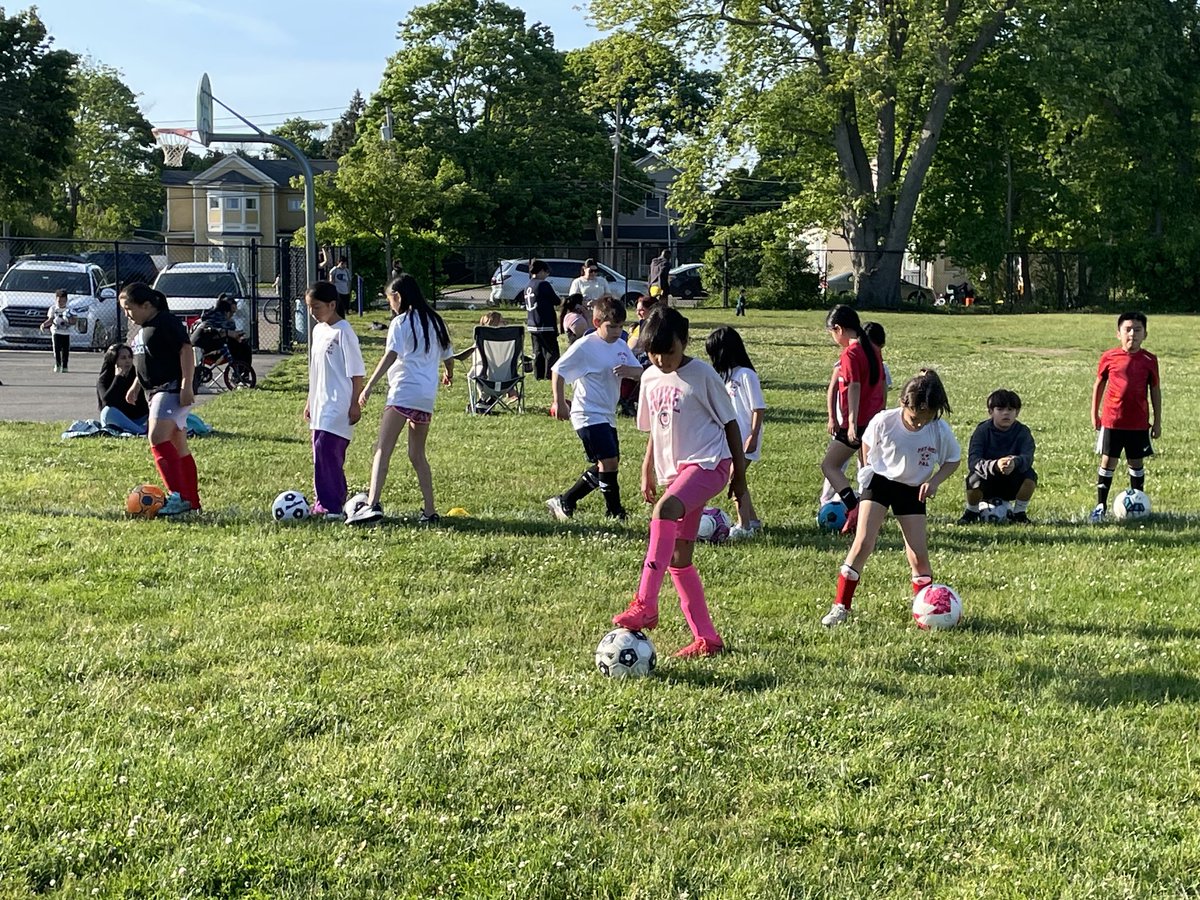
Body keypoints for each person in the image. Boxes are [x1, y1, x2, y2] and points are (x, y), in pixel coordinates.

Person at [611, 306, 748, 659]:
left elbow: (731, 424)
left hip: (709, 465)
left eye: (668, 351)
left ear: (685, 342)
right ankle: (708, 639)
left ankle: (646, 604)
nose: (660, 359)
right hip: (676, 473)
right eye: (653, 352)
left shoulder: (702, 375)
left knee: (664, 511)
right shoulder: (650, 378)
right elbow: (655, 428)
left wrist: (740, 474)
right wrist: (647, 469)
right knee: (679, 558)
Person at [821, 369, 960, 628]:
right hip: (881, 482)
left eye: (925, 420)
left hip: (913, 488)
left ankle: (925, 611)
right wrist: (866, 470)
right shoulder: (884, 421)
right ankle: (841, 606)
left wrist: (934, 481)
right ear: (902, 403)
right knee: (863, 542)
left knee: (918, 554)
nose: (919, 424)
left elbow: (953, 459)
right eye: (914, 418)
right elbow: (866, 444)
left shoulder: (938, 429)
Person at [350, 275, 454, 526]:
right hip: (425, 397)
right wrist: (449, 374)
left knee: (382, 449)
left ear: (398, 296)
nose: (390, 306)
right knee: (417, 454)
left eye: (390, 300)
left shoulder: (400, 322)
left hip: (402, 393)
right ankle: (430, 511)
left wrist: (369, 386)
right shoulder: (435, 321)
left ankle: (372, 504)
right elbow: (448, 355)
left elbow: (391, 355)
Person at [546, 296, 643, 522]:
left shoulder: (620, 345)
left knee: (609, 463)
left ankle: (566, 500)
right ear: (597, 323)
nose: (617, 331)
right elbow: (558, 371)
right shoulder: (585, 346)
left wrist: (629, 369)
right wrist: (559, 402)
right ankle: (615, 512)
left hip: (607, 414)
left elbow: (639, 371)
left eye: (620, 326)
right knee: (608, 462)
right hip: (587, 413)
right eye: (612, 326)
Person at [119, 283, 200, 516]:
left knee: (156, 438)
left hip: (170, 388)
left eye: (129, 309)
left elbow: (186, 350)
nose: (127, 314)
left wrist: (186, 384)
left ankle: (178, 497)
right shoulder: (145, 327)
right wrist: (136, 386)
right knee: (178, 445)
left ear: (146, 305)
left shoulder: (165, 322)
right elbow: (147, 360)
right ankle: (192, 502)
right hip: (154, 391)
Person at [1089, 310, 1161, 523]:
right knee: (1108, 461)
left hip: (1138, 423)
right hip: (1112, 421)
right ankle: (1100, 506)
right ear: (1118, 333)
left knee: (1136, 463)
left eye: (1137, 330)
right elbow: (1099, 385)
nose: (1132, 334)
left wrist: (1157, 421)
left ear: (1145, 334)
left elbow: (1155, 391)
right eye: (1127, 329)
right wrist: (1095, 414)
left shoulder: (1150, 360)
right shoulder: (1109, 357)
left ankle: (1138, 505)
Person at [819, 305, 885, 535]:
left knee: (829, 465)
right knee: (868, 470)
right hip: (874, 420)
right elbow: (881, 385)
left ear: (839, 329)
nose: (834, 338)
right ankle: (868, 511)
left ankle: (854, 507)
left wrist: (852, 423)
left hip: (858, 423)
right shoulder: (874, 350)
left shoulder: (850, 353)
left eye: (832, 333)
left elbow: (854, 386)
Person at [304, 281, 365, 520]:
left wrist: (354, 403)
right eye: (309, 307)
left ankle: (331, 505)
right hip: (320, 403)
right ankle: (326, 501)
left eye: (317, 307)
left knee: (327, 451)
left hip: (338, 404)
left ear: (332, 304)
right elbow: (316, 370)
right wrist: (310, 400)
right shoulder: (319, 330)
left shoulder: (344, 333)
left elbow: (356, 371)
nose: (313, 313)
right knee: (319, 453)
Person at [705, 325, 765, 539]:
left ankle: (744, 525)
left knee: (735, 477)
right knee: (739, 478)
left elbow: (758, 408)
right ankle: (753, 520)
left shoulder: (746, 375)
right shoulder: (727, 376)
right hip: (733, 440)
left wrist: (753, 436)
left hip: (747, 438)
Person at [958, 388, 1037, 524]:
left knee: (1030, 476)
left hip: (1012, 480)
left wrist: (1014, 462)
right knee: (973, 478)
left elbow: (1028, 457)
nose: (1006, 413)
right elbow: (973, 461)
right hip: (987, 481)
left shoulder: (1023, 432)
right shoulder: (982, 431)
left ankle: (1019, 513)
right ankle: (972, 511)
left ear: (1017, 412)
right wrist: (995, 465)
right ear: (990, 412)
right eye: (1000, 409)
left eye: (1011, 409)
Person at [97, 343, 149, 435]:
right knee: (107, 412)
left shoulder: (136, 377)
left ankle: (139, 430)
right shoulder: (103, 380)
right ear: (114, 361)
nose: (128, 361)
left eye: (129, 357)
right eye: (123, 358)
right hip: (118, 420)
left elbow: (143, 405)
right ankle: (141, 432)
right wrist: (118, 378)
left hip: (138, 419)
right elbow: (106, 401)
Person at [192, 295, 252, 369]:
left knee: (240, 345)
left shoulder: (206, 317)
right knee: (243, 348)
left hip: (202, 349)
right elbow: (213, 332)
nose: (232, 315)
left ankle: (240, 371)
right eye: (232, 313)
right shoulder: (217, 320)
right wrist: (230, 333)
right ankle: (240, 372)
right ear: (227, 312)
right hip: (210, 351)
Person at [524, 258, 560, 380]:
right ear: (541, 271)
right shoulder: (543, 284)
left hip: (532, 323)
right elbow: (556, 301)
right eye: (546, 272)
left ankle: (538, 374)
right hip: (545, 323)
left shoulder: (528, 285)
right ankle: (550, 375)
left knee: (538, 351)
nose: (547, 275)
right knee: (552, 351)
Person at [39, 288, 75, 373]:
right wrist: (44, 324)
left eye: (63, 301)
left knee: (65, 350)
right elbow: (51, 319)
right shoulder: (53, 309)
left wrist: (71, 321)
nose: (61, 303)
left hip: (66, 333)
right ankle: (58, 364)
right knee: (57, 349)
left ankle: (65, 366)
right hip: (56, 332)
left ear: (66, 301)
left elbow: (74, 320)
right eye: (59, 301)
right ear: (56, 300)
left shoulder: (69, 310)